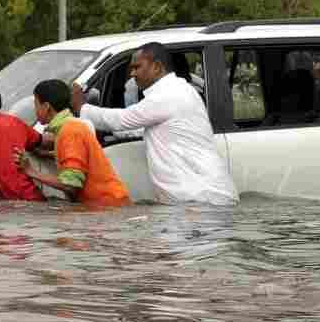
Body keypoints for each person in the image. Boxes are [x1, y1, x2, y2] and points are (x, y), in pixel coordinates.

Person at [82, 41, 237, 206]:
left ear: (157, 67)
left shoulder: (168, 95)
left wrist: (82, 107)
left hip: (198, 199)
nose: (132, 74)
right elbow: (144, 128)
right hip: (201, 198)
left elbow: (122, 120)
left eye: (137, 67)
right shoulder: (179, 90)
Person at [12, 80, 132, 207]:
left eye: (36, 104)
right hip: (106, 206)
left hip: (108, 207)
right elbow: (78, 160)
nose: (35, 110)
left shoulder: (70, 131)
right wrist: (48, 155)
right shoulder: (69, 127)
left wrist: (31, 171)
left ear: (46, 107)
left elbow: (71, 185)